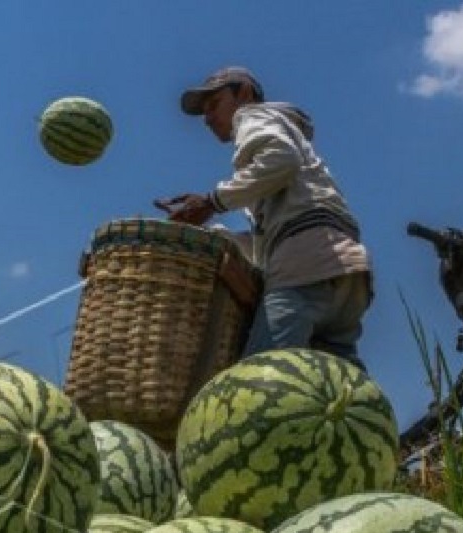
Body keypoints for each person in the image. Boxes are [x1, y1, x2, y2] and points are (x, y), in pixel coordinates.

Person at [156, 66, 372, 369]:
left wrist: (210, 201)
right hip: (346, 269)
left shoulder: (252, 117)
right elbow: (278, 228)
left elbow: (280, 158)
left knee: (261, 377)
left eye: (214, 104)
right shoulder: (286, 133)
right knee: (339, 385)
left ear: (244, 93)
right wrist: (218, 239)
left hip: (307, 267)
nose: (207, 119)